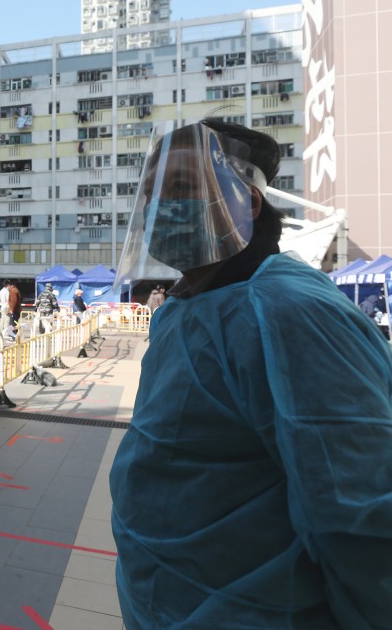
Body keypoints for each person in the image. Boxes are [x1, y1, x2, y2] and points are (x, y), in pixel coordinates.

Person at [109, 119, 392, 628]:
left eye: (178, 188)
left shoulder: (288, 312)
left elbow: (364, 516)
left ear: (249, 204)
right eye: (149, 192)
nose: (156, 207)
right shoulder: (187, 306)